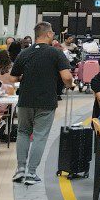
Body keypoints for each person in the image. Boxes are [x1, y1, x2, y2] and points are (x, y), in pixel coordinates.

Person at [10, 21, 74, 185]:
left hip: (25, 99)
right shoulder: (56, 53)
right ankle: (31, 173)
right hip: (46, 101)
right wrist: (69, 84)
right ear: (48, 34)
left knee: (23, 132)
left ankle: (20, 170)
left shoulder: (24, 53)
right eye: (52, 32)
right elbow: (66, 77)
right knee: (39, 135)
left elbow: (13, 78)